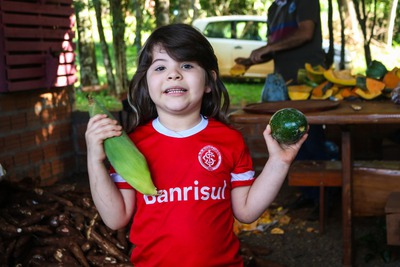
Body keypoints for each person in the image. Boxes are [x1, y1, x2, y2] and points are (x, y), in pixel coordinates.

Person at [85, 23, 307, 266]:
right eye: (160, 67)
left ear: (209, 81)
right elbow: (116, 218)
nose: (174, 74)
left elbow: (246, 212)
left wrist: (279, 162)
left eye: (187, 65)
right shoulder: (132, 145)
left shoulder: (228, 140)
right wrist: (94, 160)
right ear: (147, 85)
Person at [235, 0, 334, 220]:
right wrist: (253, 59)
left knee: (312, 138)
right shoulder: (273, 9)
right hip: (284, 83)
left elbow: (305, 33)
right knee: (292, 141)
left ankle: (324, 199)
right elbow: (277, 46)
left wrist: (268, 47)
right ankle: (308, 193)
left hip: (308, 82)